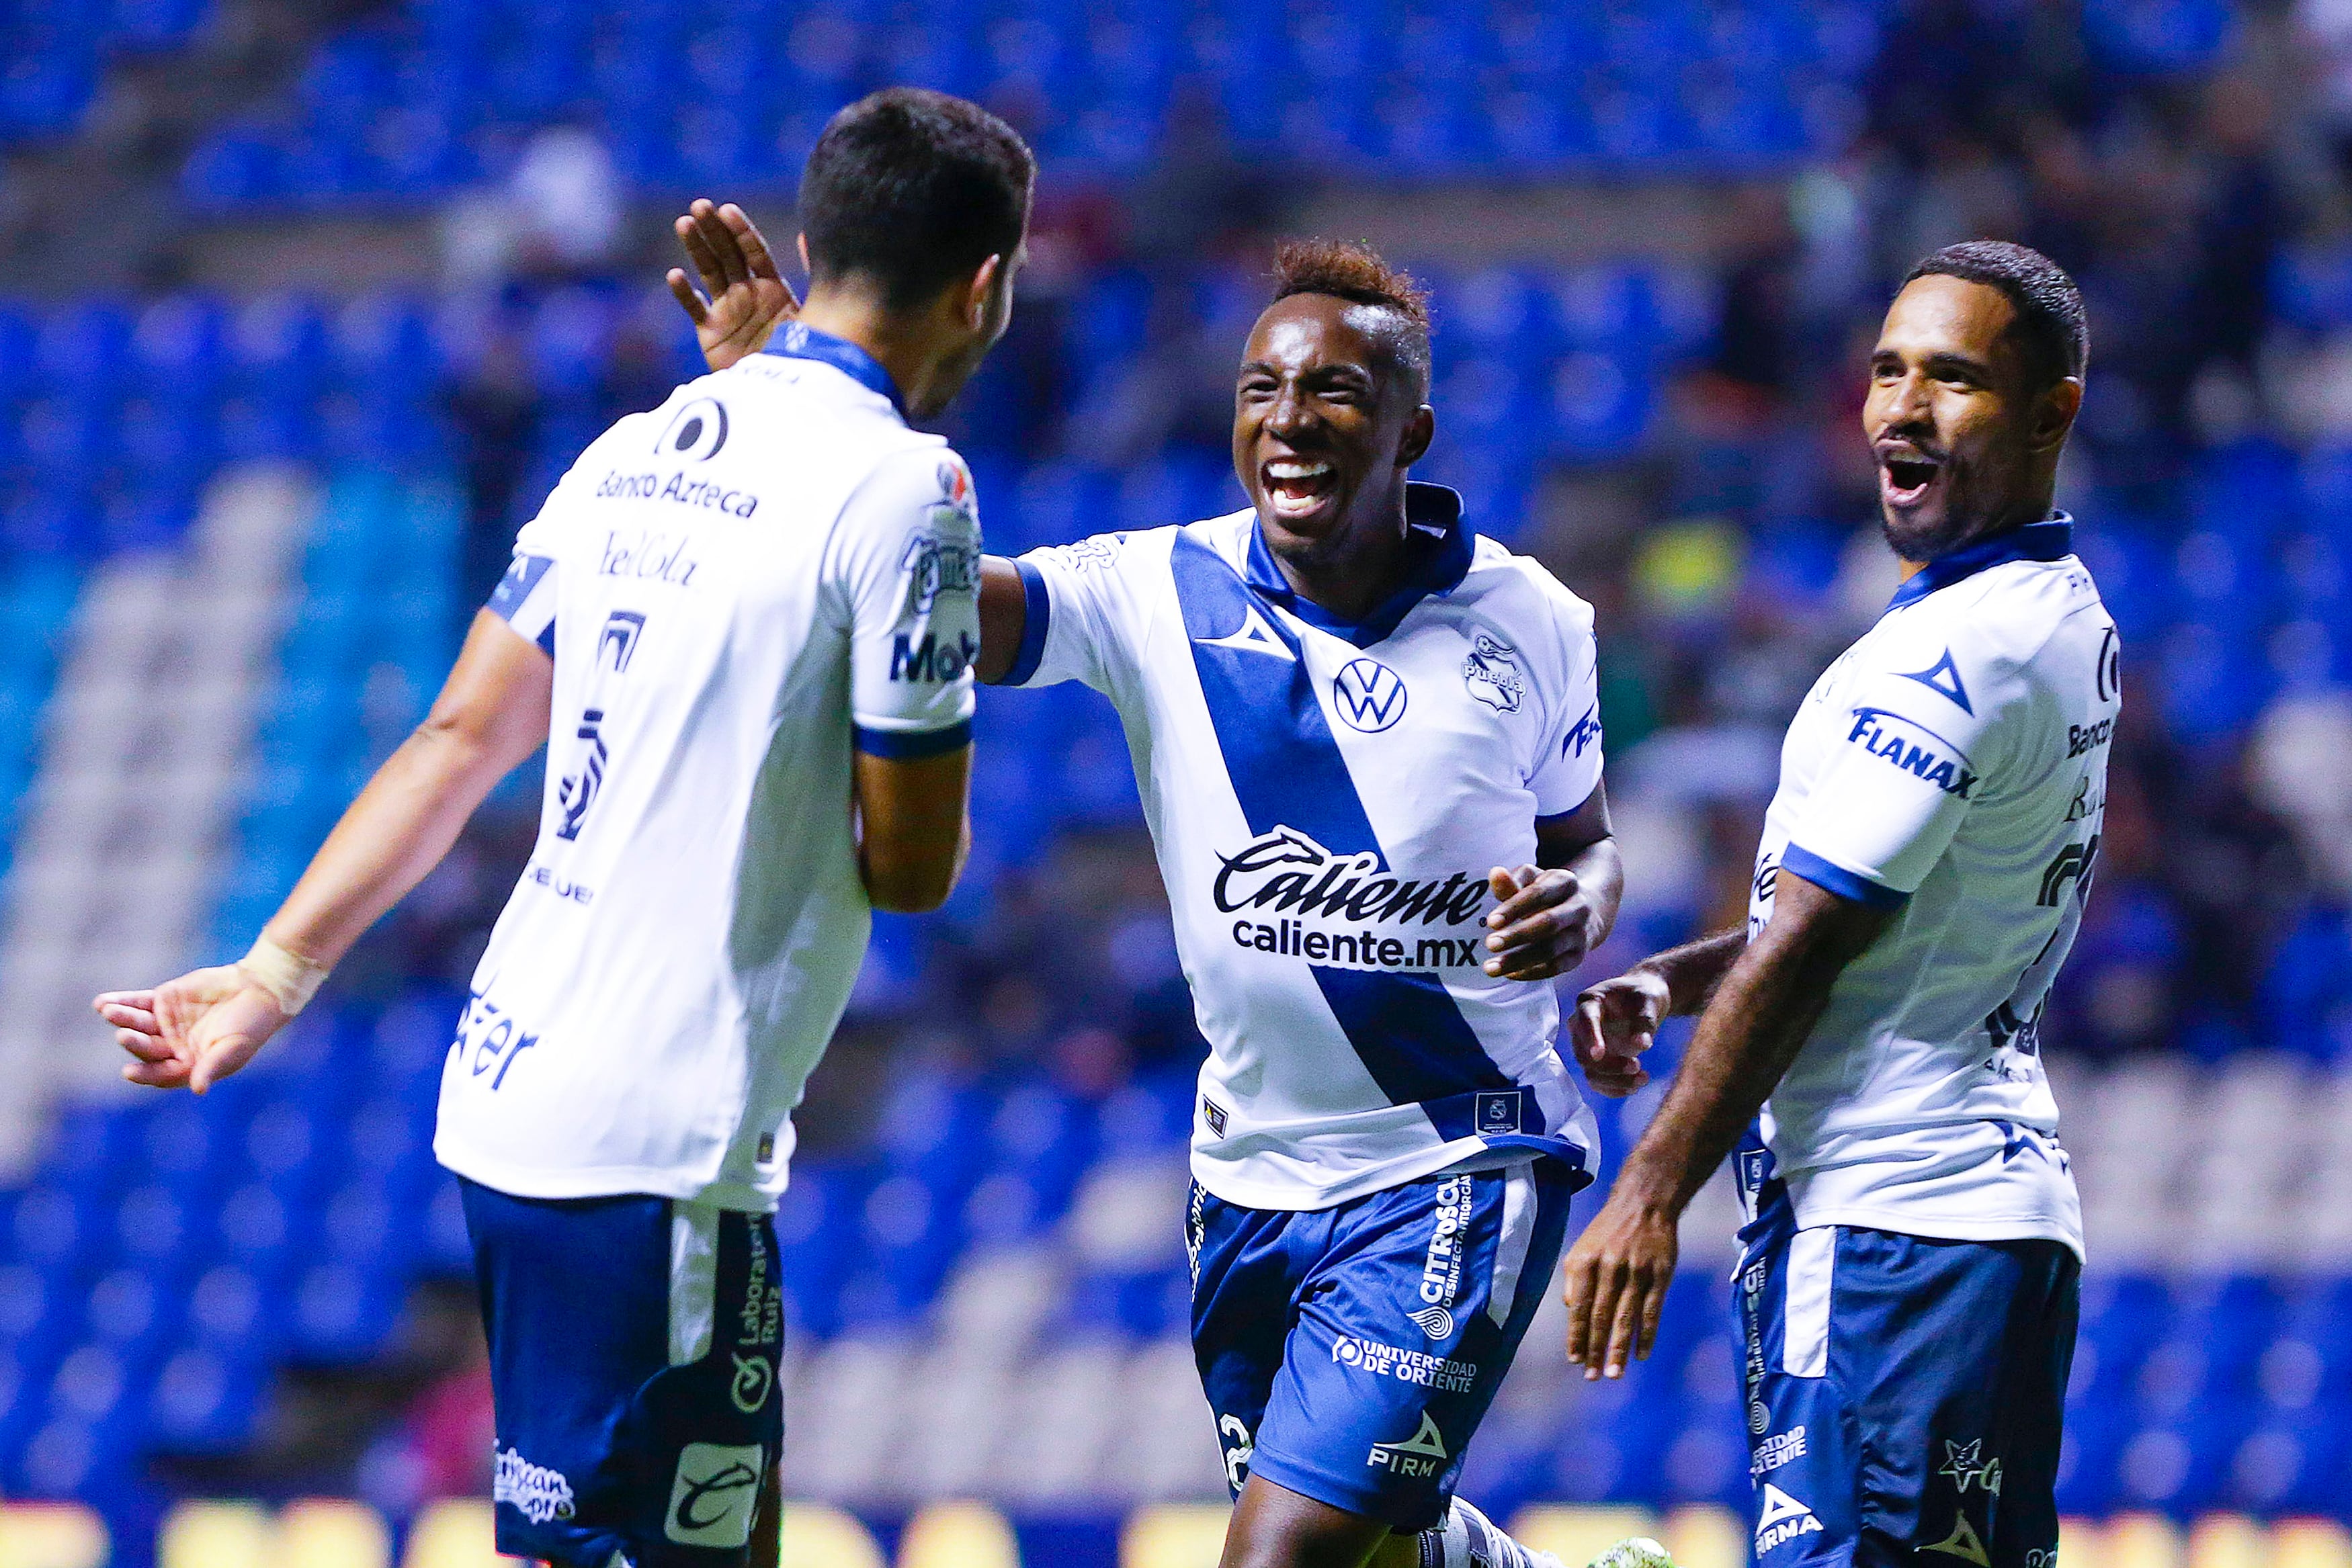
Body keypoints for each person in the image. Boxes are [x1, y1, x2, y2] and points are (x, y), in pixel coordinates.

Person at [93, 87, 1033, 1568]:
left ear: (808, 239)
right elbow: (911, 871)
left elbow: (460, 737)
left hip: (510, 1094)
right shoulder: (912, 488)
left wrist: (272, 972)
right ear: (986, 288)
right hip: (661, 1144)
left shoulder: (632, 451)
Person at [668, 214, 1620, 1568]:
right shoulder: (1151, 588)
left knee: (1274, 1555)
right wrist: (788, 414)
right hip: (1246, 1175)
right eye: (1261, 391)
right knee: (1379, 1549)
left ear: (1411, 430)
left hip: (1458, 1155)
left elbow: (1586, 839)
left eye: (1334, 392)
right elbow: (941, 595)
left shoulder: (1532, 618)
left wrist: (1583, 903)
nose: (1288, 420)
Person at [1561, 241, 2114, 1568]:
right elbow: (1862, 923)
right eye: (1887, 371)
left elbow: (1812, 942)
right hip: (1951, 1232)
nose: (1900, 410)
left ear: (2052, 414)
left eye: (1955, 379)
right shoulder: (2044, 611)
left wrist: (1645, 1193)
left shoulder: (1954, 654)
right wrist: (1672, 979)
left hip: (1893, 1240)